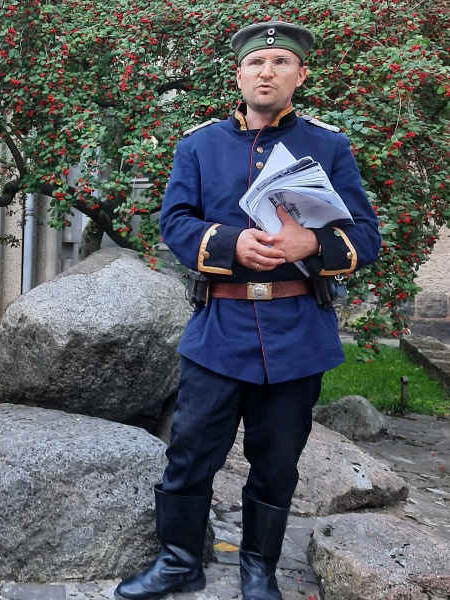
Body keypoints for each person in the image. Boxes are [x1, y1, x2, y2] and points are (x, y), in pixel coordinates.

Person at [113, 20, 382, 600]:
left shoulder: (329, 146)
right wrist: (230, 244)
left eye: (280, 63)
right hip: (218, 329)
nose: (267, 71)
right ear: (238, 75)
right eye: (256, 63)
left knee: (277, 463)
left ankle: (258, 571)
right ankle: (179, 561)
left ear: (299, 75)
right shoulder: (199, 145)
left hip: (297, 332)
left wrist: (312, 244)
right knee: (189, 454)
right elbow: (174, 223)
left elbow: (366, 237)